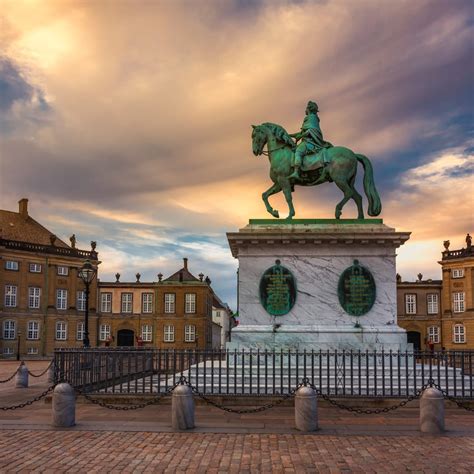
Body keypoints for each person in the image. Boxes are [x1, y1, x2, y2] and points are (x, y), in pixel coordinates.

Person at [288, 100, 332, 180]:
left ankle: (296, 172)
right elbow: (302, 132)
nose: (305, 109)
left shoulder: (311, 117)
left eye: (306, 108)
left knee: (298, 151)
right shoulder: (310, 118)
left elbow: (310, 131)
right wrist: (288, 135)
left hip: (310, 142)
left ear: (309, 109)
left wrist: (300, 136)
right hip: (308, 140)